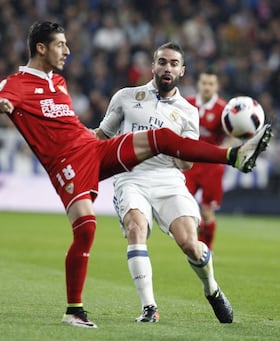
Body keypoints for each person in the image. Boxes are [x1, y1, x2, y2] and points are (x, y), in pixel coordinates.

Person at [0, 21, 271, 329]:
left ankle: (234, 156)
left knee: (162, 140)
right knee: (88, 228)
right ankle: (80, 309)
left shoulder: (58, 82)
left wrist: (91, 136)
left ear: (182, 70)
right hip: (70, 164)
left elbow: (75, 128)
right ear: (41, 47)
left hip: (99, 152)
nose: (67, 50)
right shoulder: (18, 83)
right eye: (61, 44)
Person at [95, 43, 229, 324]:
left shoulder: (187, 111)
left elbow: (187, 163)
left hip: (168, 180)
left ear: (182, 70)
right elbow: (102, 135)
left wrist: (170, 149)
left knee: (191, 244)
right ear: (153, 66)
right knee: (135, 226)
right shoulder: (126, 97)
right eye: (162, 62)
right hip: (131, 178)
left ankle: (212, 289)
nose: (167, 68)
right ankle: (149, 308)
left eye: (173, 63)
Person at [185, 70, 228, 250]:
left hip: (212, 166)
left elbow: (231, 136)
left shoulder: (224, 109)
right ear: (199, 84)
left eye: (211, 84)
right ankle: (193, 241)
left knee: (207, 210)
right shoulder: (187, 104)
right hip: (190, 164)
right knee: (183, 206)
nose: (207, 87)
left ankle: (206, 250)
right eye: (204, 83)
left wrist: (223, 151)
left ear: (216, 86)